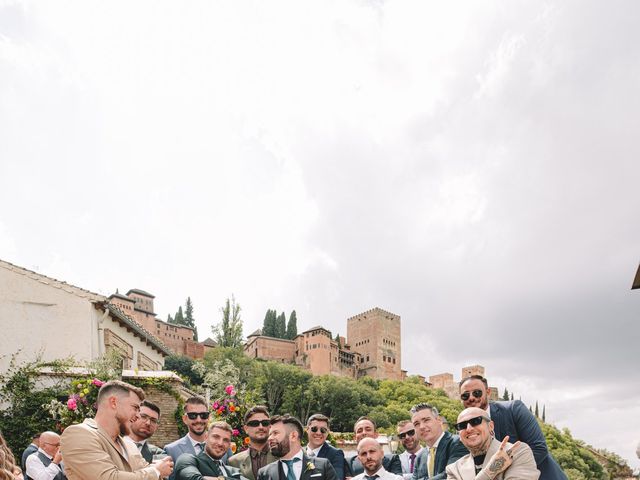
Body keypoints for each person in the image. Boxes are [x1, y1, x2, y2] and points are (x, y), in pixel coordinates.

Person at [60, 380, 173, 480]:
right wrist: (156, 471)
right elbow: (108, 477)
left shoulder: (128, 444)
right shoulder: (79, 434)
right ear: (113, 402)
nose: (138, 415)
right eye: (135, 408)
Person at [459, 376, 566, 480]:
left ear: (488, 392)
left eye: (477, 393)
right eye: (465, 396)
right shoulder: (464, 430)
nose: (471, 398)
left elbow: (539, 448)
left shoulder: (514, 409)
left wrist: (497, 470)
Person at [445, 407, 539, 480]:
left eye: (476, 421)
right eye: (462, 426)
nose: (469, 429)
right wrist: (490, 471)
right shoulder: (454, 470)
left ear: (490, 426)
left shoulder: (517, 452)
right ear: (459, 436)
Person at [256, 415, 337, 480]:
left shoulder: (323, 466)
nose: (269, 438)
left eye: (275, 433)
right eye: (270, 434)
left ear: (293, 436)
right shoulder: (264, 473)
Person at [410, 403, 467, 480]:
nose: (422, 427)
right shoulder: (419, 458)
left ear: (439, 421)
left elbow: (451, 475)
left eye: (426, 420)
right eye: (416, 424)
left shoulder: (457, 443)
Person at [174, 422, 244, 480]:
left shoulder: (234, 471)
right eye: (216, 437)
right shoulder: (188, 460)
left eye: (225, 440)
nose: (220, 443)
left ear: (229, 445)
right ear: (206, 437)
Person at [227, 406, 277, 480]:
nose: (261, 427)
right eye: (255, 423)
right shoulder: (234, 462)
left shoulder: (282, 455)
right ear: (246, 429)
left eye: (265, 423)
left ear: (270, 427)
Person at [164, 396, 210, 470]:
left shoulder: (223, 447)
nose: (199, 420)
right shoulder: (171, 450)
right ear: (185, 419)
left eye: (203, 415)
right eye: (193, 415)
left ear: (208, 417)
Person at [305, 414, 345, 480]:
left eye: (323, 430)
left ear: (327, 432)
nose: (318, 433)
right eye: (314, 429)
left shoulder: (335, 454)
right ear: (307, 429)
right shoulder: (298, 452)